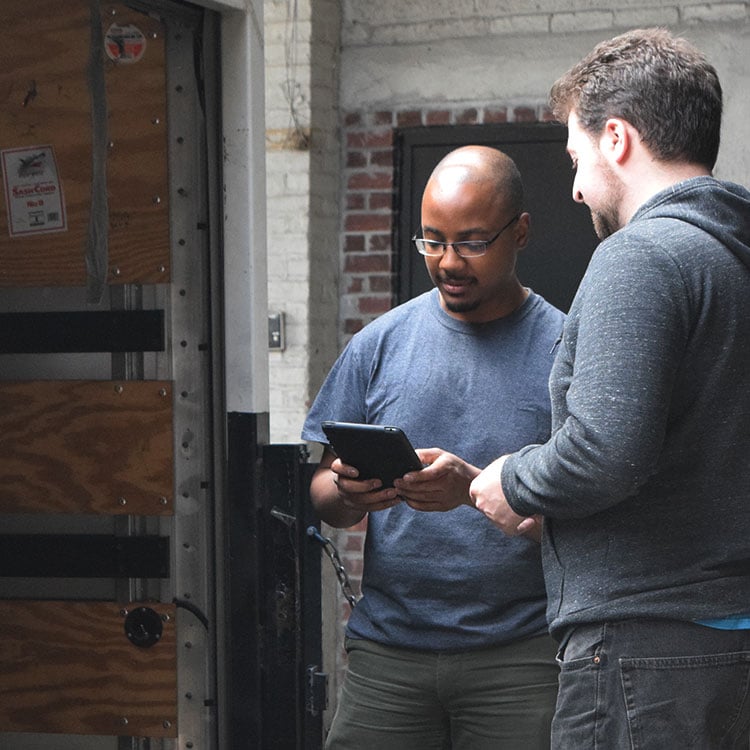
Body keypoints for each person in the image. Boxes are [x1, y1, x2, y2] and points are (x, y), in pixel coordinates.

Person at [469, 28, 750, 749]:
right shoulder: (730, 257)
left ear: (617, 138)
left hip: (645, 657)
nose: (574, 188)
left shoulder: (643, 256)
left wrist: (516, 482)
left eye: (576, 157)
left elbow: (607, 452)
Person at [301, 145, 565, 749]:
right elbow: (321, 494)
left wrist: (471, 492)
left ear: (519, 232)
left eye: (472, 242)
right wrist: (349, 493)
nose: (449, 261)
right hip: (387, 655)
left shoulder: (564, 349)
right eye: (432, 241)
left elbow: (587, 514)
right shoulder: (379, 344)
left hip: (521, 656)